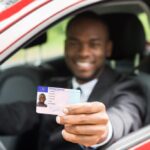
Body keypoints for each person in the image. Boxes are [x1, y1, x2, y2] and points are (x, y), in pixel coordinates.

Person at [0, 11, 146, 150]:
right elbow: (22, 114)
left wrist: (103, 131)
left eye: (94, 44)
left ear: (107, 48)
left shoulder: (127, 87)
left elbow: (123, 117)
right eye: (74, 43)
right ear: (65, 46)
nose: (83, 53)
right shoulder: (56, 86)